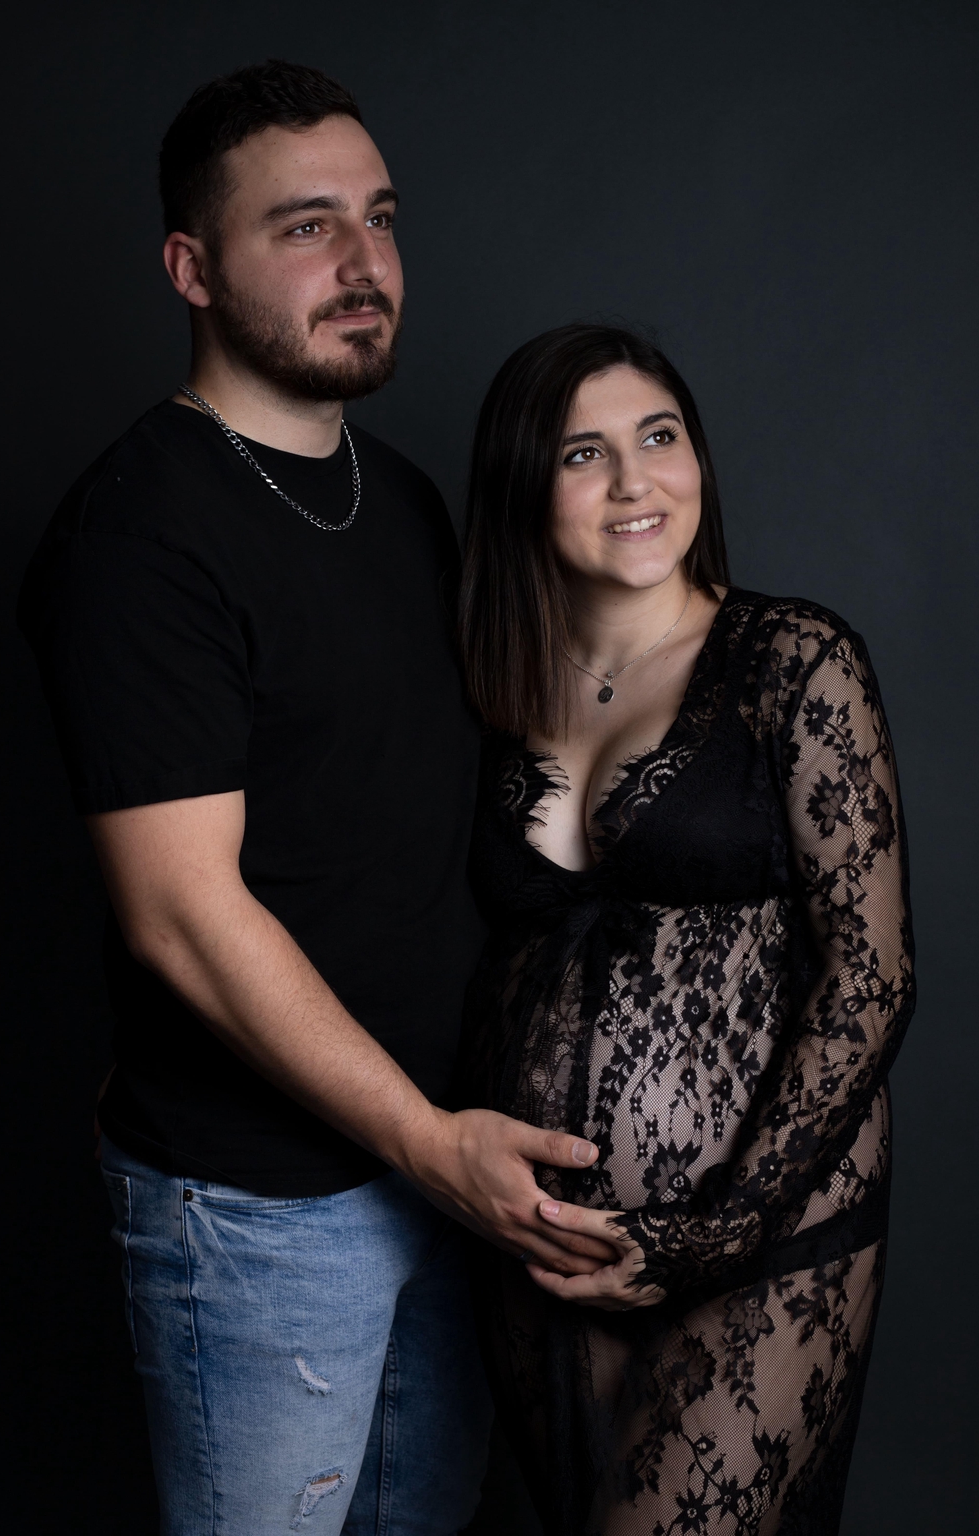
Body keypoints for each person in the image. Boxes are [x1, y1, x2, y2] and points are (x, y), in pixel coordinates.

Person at [17, 62, 612, 1536]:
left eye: (380, 217)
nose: (363, 262)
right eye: (304, 226)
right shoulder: (139, 540)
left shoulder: (398, 498)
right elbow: (182, 916)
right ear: (191, 270)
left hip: (445, 1169)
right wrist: (430, 1144)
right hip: (265, 1212)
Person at [459, 324, 915, 1536]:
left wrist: (713, 1235)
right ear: (520, 484)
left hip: (762, 1230)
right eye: (583, 454)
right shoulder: (487, 689)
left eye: (658, 437)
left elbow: (871, 976)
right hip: (539, 1251)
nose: (634, 482)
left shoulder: (793, 662)